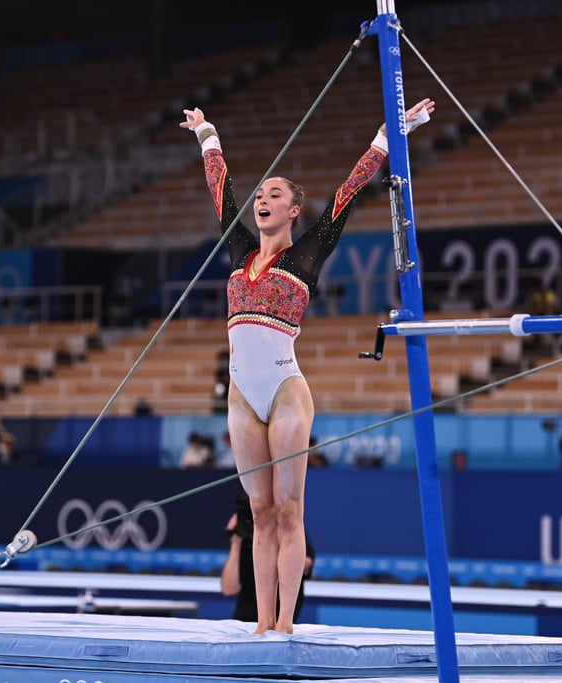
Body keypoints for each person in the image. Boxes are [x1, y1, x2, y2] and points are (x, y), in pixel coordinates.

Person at [182, 97, 434, 634]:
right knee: (259, 516)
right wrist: (208, 134)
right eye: (261, 194)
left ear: (294, 209)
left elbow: (350, 190)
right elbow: (220, 190)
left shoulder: (308, 254)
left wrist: (392, 131)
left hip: (285, 390)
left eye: (275, 194)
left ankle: (287, 623)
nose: (262, 200)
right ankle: (261, 622)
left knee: (290, 511)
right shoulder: (239, 250)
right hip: (241, 397)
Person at [221, 492, 314, 624]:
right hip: (245, 623)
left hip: (284, 622)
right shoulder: (247, 546)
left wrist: (281, 533)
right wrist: (235, 541)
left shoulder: (294, 538)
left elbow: (304, 564)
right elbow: (229, 589)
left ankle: (280, 622)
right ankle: (265, 621)